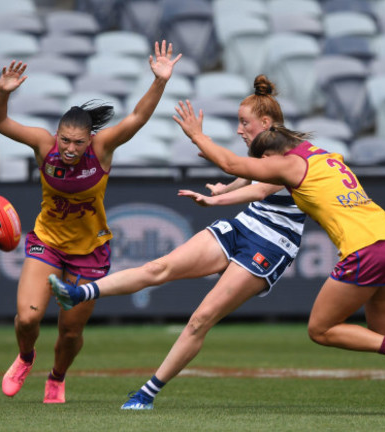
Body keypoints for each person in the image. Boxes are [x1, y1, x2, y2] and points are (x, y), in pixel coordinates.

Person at [170, 101, 385, 416]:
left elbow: (233, 164)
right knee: (384, 325)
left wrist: (196, 135)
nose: (264, 169)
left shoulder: (287, 164)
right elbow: (252, 183)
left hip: (364, 247)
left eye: (264, 162)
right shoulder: (321, 155)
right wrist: (220, 194)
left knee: (321, 329)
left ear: (273, 155)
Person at [49, 75, 307, 410]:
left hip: (271, 246)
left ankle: (147, 393)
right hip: (245, 226)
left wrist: (213, 197)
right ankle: (79, 292)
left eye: (245, 123)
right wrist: (225, 189)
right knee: (159, 267)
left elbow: (260, 186)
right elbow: (249, 174)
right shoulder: (265, 152)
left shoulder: (290, 155)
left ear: (266, 123)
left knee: (201, 319)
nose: (240, 129)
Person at [0, 40, 182, 403]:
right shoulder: (44, 146)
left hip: (89, 252)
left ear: (89, 139)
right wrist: (2, 92)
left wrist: (159, 81)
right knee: (28, 319)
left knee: (71, 332)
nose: (70, 149)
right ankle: (26, 357)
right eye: (65, 141)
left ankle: (57, 377)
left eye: (77, 142)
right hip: (46, 243)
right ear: (57, 135)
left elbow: (137, 118)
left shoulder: (102, 149)